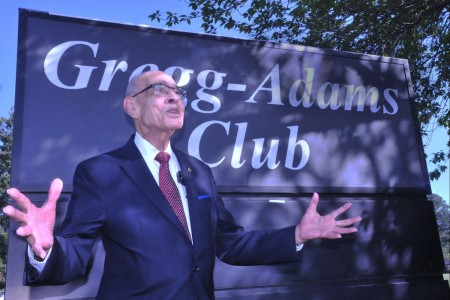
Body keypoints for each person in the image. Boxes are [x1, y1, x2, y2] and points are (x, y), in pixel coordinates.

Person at [3, 70, 362, 299]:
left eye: (179, 92)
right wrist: (46, 249)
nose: (176, 97)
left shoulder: (199, 171)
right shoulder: (103, 171)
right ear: (131, 106)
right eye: (161, 90)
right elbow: (77, 252)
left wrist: (295, 236)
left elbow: (230, 243)